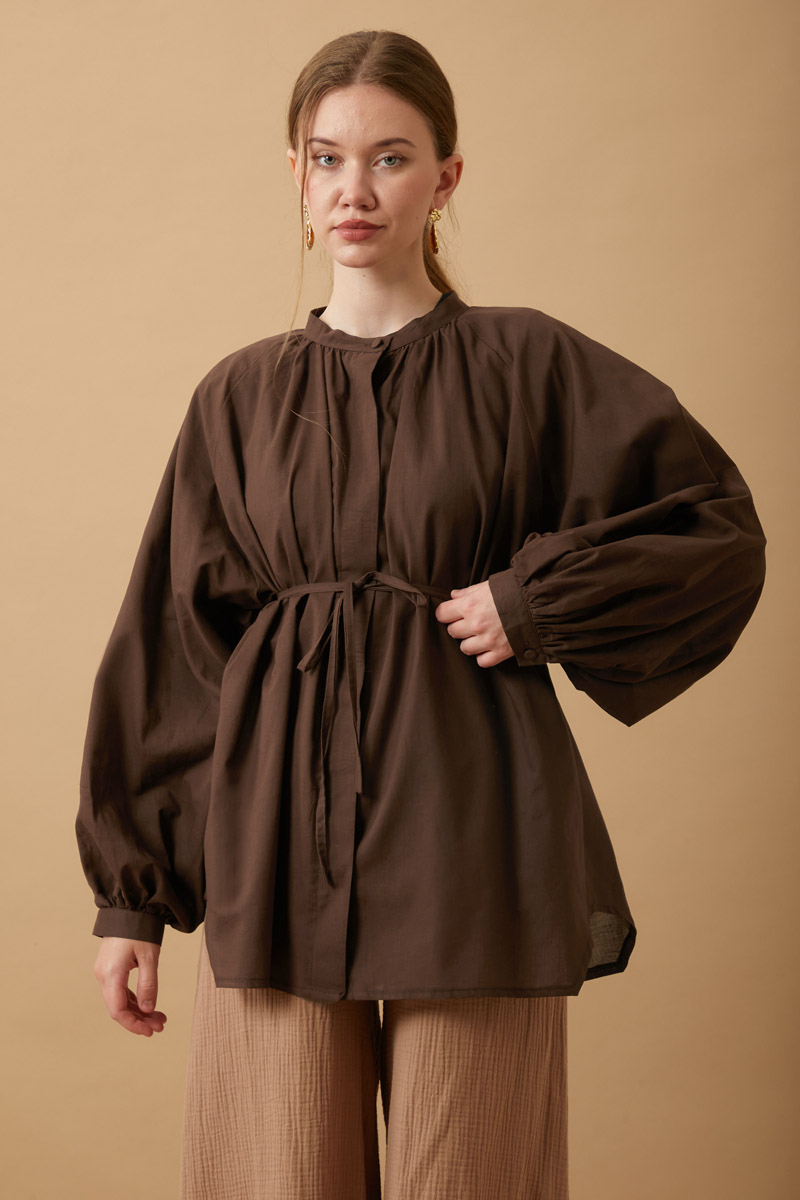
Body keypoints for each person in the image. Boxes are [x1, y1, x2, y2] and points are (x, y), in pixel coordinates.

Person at [75, 28, 767, 1200]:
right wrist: (130, 901)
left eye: (389, 158)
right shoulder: (237, 398)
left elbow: (711, 526)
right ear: (296, 179)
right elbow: (175, 647)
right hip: (274, 846)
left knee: (473, 1178)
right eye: (327, 158)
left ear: (445, 179)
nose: (355, 188)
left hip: (475, 835)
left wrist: (534, 602)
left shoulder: (523, 364)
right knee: (275, 1175)